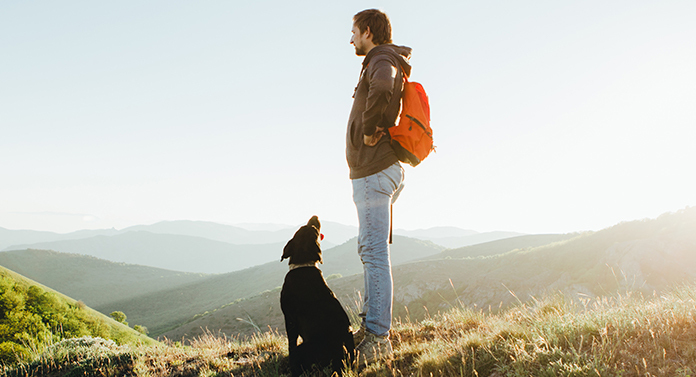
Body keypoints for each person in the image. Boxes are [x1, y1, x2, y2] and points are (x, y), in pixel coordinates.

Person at [346, 8, 411, 364]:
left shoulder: (381, 58)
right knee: (369, 250)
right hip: (373, 172)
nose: (351, 38)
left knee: (373, 253)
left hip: (375, 170)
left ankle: (378, 338)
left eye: (354, 31)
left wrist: (369, 130)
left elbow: (384, 86)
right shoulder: (380, 59)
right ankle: (371, 329)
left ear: (368, 31)